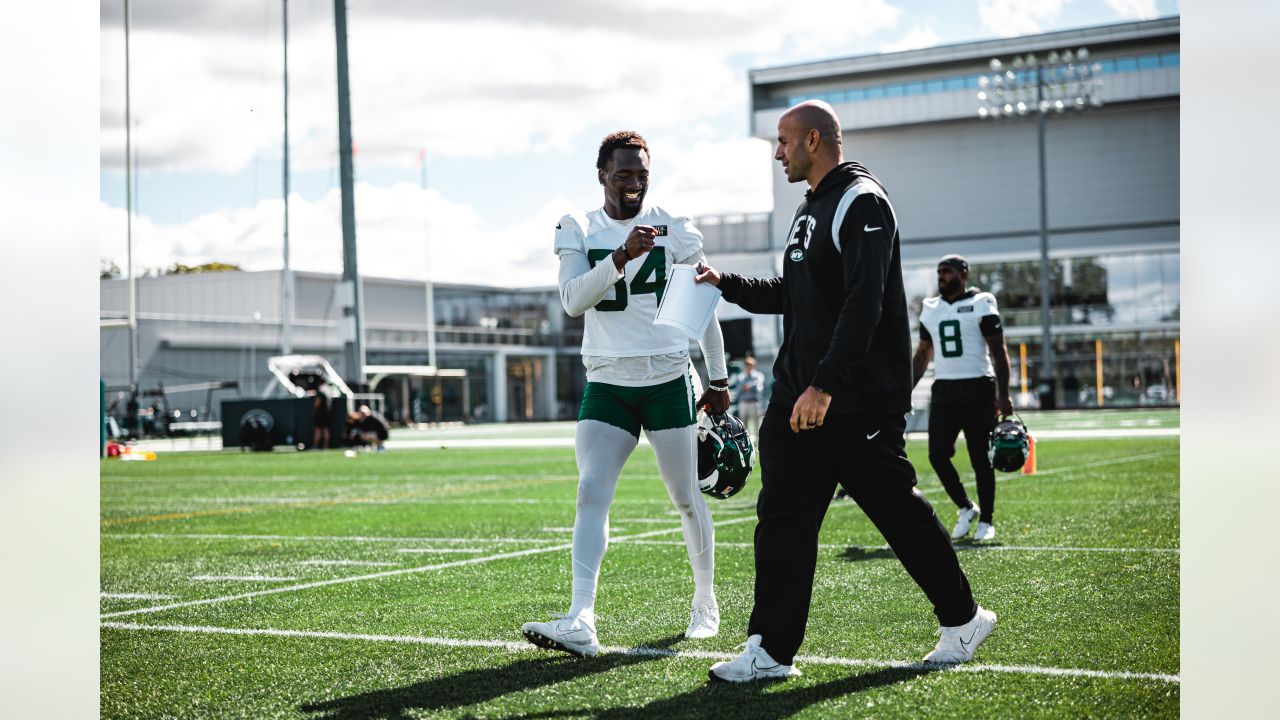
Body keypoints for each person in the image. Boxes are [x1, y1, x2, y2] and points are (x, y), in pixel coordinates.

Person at [694, 101, 996, 683]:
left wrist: (825, 385)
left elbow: (864, 303)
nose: (777, 153)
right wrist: (725, 283)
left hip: (849, 400)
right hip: (797, 399)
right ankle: (771, 650)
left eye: (783, 142)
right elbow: (796, 293)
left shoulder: (862, 201)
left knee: (896, 510)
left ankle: (963, 619)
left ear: (813, 140)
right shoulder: (811, 205)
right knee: (781, 516)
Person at [521, 130, 730, 657]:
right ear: (602, 175)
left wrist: (719, 378)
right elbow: (572, 301)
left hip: (666, 377)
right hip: (609, 380)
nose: (634, 183)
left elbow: (702, 303)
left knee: (685, 496)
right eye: (623, 174)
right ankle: (580, 617)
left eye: (641, 174)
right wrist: (620, 256)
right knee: (591, 492)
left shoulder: (675, 226)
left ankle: (705, 601)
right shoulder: (579, 226)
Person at [913, 255, 1014, 542]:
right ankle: (966, 507)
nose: (941, 277)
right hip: (944, 389)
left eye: (946, 272)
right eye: (938, 272)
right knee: (937, 455)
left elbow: (999, 351)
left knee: (980, 459)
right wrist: (905, 389)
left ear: (963, 273)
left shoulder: (982, 302)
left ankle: (987, 520)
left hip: (978, 388)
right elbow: (923, 354)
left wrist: (1004, 394)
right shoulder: (930, 308)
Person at [733, 355, 766, 436]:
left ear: (753, 366)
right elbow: (738, 390)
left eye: (750, 365)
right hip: (743, 403)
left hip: (754, 403)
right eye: (747, 365)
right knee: (743, 426)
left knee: (756, 426)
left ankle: (758, 445)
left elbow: (759, 388)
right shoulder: (741, 377)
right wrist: (749, 387)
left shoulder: (758, 375)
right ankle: (746, 445)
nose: (748, 367)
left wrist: (748, 386)